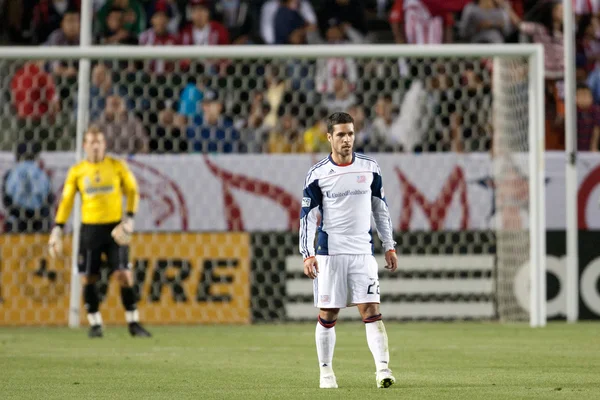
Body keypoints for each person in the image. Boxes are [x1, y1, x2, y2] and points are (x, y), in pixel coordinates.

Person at [299, 112, 398, 389]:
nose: (347, 140)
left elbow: (381, 209)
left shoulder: (370, 168)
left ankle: (383, 370)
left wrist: (389, 245)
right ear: (329, 137)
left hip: (362, 252)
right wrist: (307, 254)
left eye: (350, 134)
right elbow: (306, 217)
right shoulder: (318, 174)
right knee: (329, 313)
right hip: (329, 253)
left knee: (371, 309)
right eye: (341, 134)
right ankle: (326, 373)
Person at [48, 126, 151, 338]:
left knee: (124, 274)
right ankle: (95, 323)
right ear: (85, 145)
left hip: (115, 228)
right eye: (91, 142)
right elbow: (66, 201)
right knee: (88, 278)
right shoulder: (77, 171)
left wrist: (130, 219)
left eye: (99, 142)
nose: (95, 146)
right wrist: (57, 228)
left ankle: (133, 322)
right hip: (90, 230)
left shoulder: (117, 166)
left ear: (105, 145)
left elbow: (133, 191)